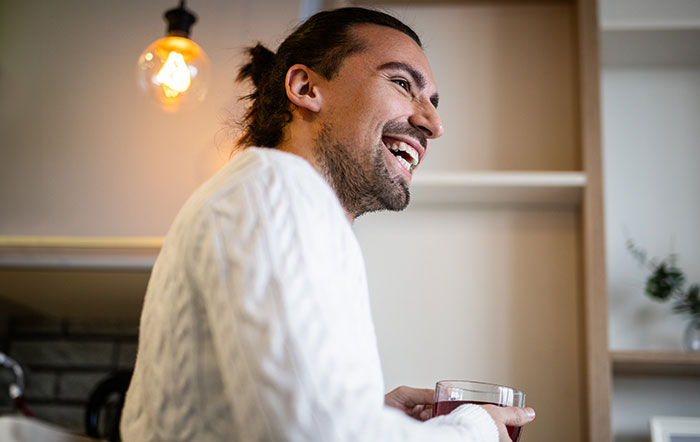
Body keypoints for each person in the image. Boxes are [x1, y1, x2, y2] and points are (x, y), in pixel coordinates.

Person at [120, 7, 535, 442]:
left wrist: (373, 413)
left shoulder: (269, 196)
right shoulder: (277, 187)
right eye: (401, 84)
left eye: (431, 101)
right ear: (305, 87)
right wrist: (476, 430)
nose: (433, 124)